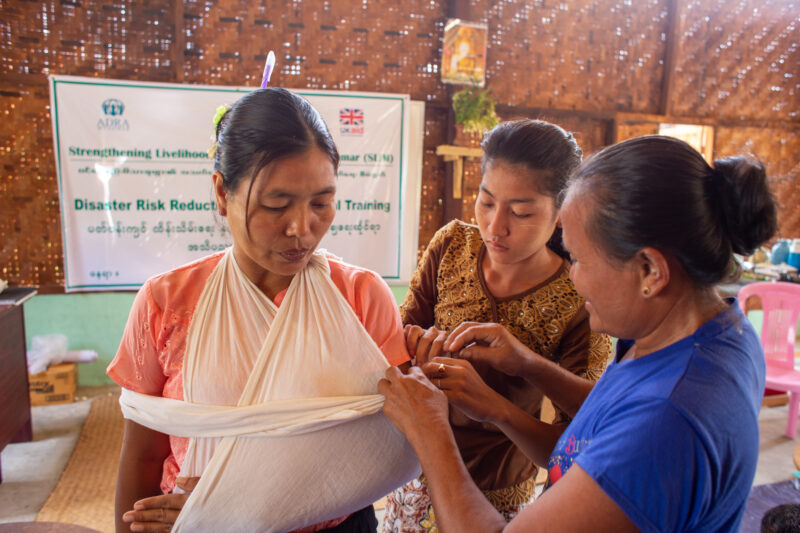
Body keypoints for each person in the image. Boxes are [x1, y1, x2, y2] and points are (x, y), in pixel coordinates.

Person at [379, 135, 777, 531]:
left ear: (650, 272)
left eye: (580, 259)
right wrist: (529, 368)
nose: (573, 277)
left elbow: (634, 434)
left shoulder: (664, 428)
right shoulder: (716, 334)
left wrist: (430, 431)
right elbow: (596, 430)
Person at [108, 88, 413, 533]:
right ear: (221, 192)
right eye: (276, 204)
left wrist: (236, 503)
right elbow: (143, 452)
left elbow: (389, 445)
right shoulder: (165, 303)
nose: (301, 229)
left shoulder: (362, 297)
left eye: (322, 203)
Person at [383, 120, 612, 532]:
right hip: (414, 476)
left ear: (561, 213)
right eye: (486, 202)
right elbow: (397, 343)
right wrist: (416, 350)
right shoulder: (451, 245)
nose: (495, 226)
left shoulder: (579, 300)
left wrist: (497, 409)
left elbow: (570, 447)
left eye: (521, 212)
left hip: (497, 499)